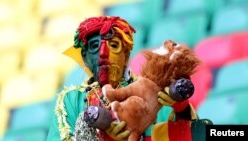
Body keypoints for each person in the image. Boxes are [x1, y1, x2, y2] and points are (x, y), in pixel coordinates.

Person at [47, 16, 211, 141]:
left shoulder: (153, 91)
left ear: (126, 55)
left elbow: (188, 135)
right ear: (85, 57)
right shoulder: (71, 99)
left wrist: (180, 107)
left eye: (114, 46)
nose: (104, 54)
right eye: (95, 47)